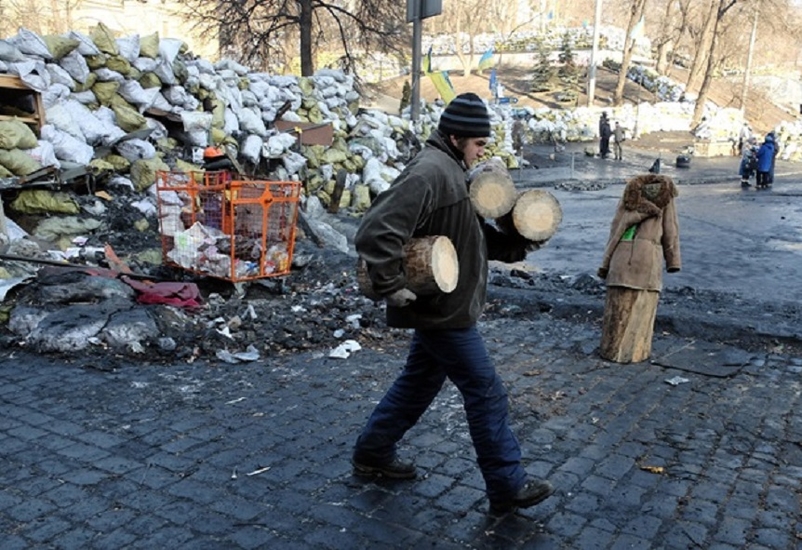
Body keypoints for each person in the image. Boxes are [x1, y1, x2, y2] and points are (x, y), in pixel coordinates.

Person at [351, 92, 555, 516]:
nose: (483, 153)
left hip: (447, 307)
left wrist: (521, 243)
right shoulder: (429, 172)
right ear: (456, 136)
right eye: (479, 144)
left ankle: (372, 452)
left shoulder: (454, 172)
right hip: (442, 311)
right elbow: (375, 231)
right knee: (485, 390)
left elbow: (471, 238)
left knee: (417, 384)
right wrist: (389, 284)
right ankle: (506, 484)